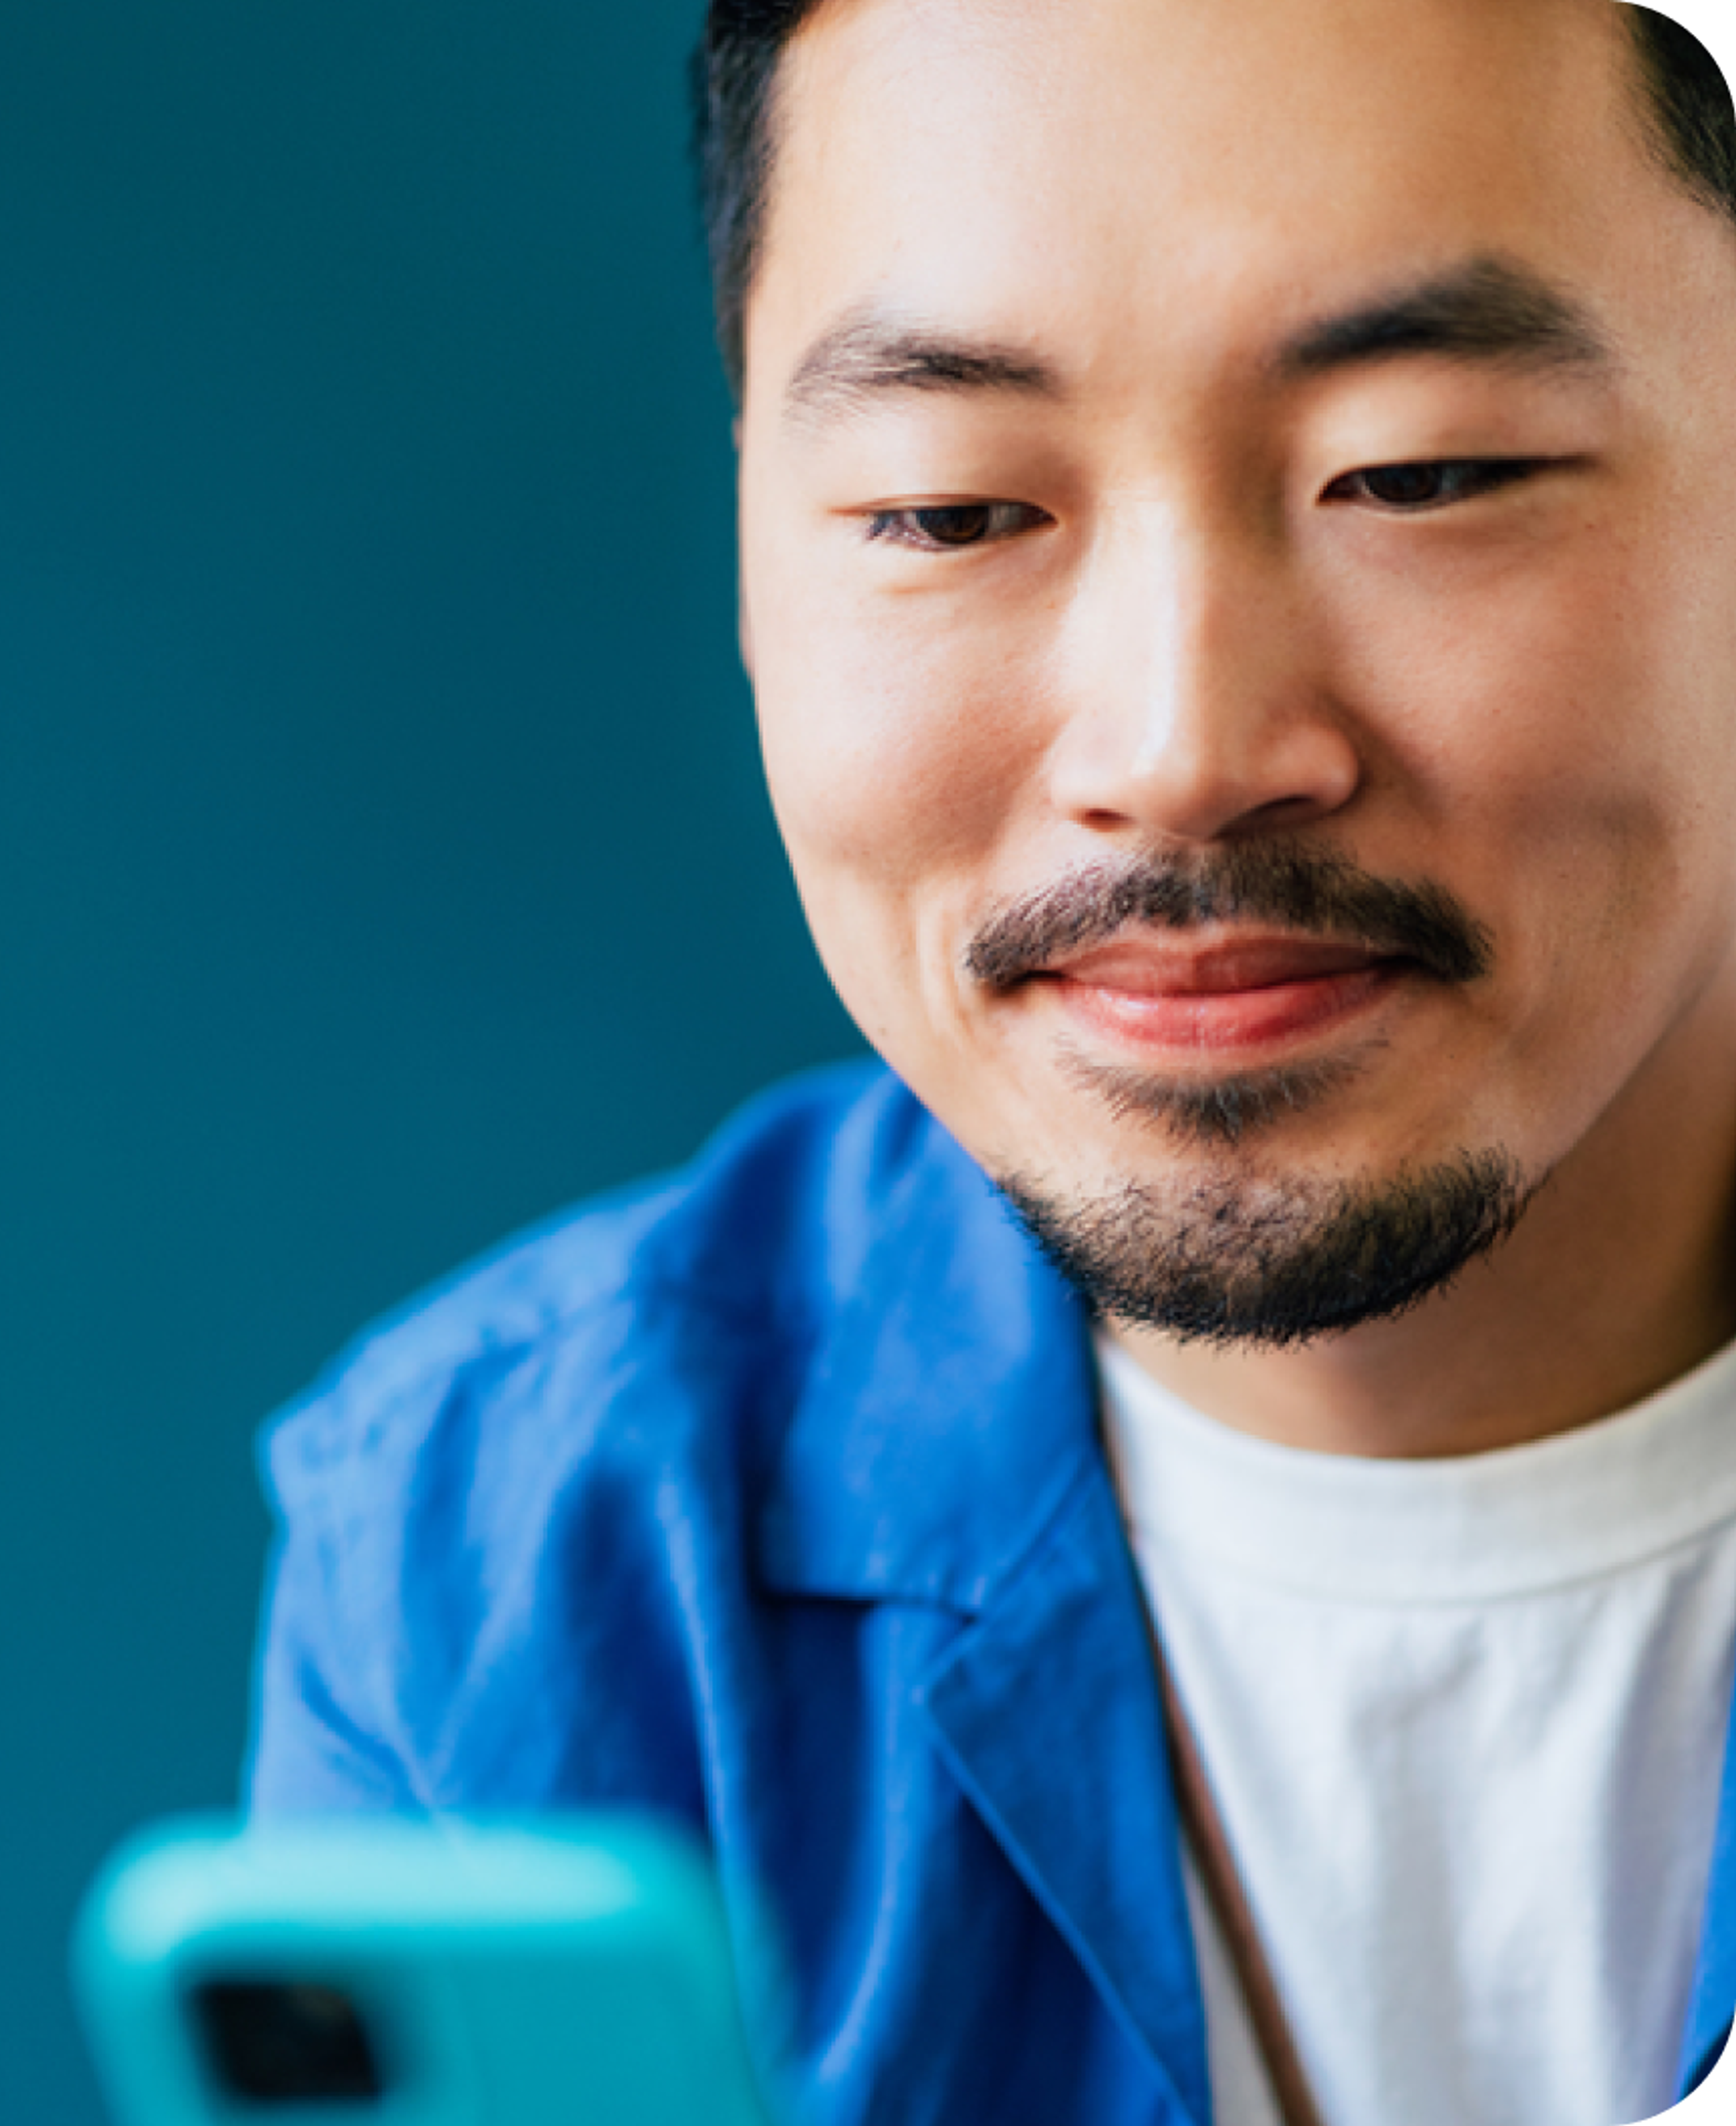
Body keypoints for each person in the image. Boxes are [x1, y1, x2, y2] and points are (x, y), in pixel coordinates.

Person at [245, 2, 1736, 2120]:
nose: (1183, 752)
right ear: (755, 565)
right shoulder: (515, 1569)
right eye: (950, 512)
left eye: (1420, 472)